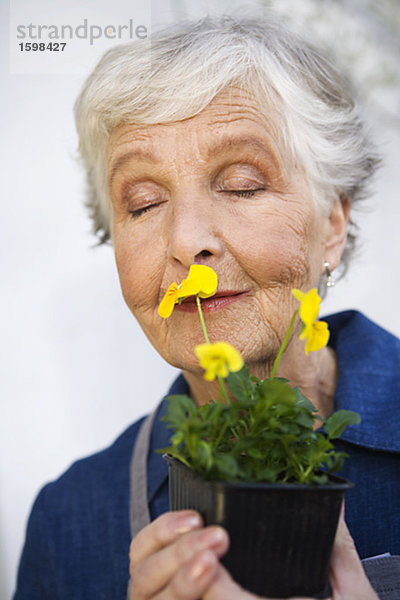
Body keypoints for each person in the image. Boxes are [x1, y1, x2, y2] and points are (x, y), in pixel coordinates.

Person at [14, 15, 400, 600]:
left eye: (242, 184)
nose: (184, 239)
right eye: (143, 203)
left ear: (332, 225)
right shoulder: (67, 523)